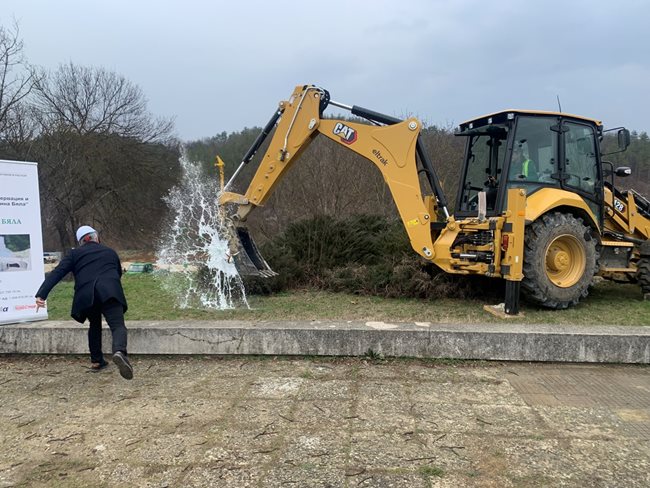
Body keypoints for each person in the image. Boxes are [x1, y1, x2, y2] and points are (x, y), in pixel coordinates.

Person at [35, 226, 133, 380]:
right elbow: (117, 273)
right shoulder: (110, 251)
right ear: (96, 237)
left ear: (81, 242)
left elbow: (58, 272)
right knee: (117, 325)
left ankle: (96, 361)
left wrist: (42, 294)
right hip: (109, 291)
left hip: (86, 296)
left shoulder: (74, 254)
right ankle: (119, 352)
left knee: (94, 324)